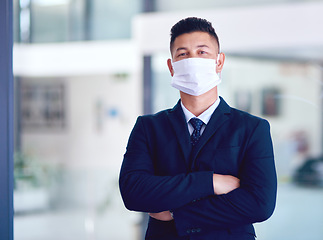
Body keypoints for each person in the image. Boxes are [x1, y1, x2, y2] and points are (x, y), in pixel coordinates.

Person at [119, 17, 277, 240]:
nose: (192, 60)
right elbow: (133, 192)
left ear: (219, 62)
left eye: (202, 52)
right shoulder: (149, 127)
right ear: (171, 66)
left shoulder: (252, 128)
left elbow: (260, 204)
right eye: (183, 54)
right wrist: (211, 182)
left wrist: (176, 213)